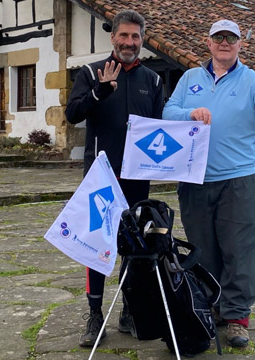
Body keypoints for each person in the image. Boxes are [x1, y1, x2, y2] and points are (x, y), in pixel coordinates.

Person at [162, 19, 255, 348]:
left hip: (238, 180)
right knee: (202, 250)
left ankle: (237, 317)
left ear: (239, 44)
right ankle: (211, 308)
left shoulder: (254, 81)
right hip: (194, 178)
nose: (224, 42)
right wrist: (190, 114)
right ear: (208, 43)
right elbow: (168, 111)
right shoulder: (190, 77)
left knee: (238, 251)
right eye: (218, 37)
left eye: (231, 38)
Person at [64, 9, 164, 347]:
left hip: (137, 178)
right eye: (124, 36)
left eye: (135, 37)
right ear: (113, 38)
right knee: (97, 246)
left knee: (134, 247)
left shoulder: (153, 80)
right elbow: (72, 113)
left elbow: (160, 130)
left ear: (142, 40)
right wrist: (100, 91)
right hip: (101, 178)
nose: (129, 42)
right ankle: (95, 315)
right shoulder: (92, 73)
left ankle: (128, 311)